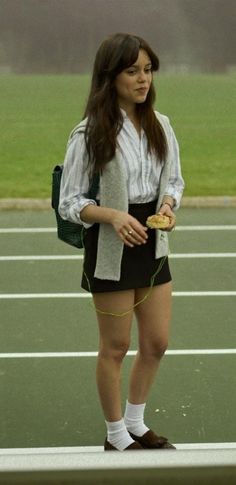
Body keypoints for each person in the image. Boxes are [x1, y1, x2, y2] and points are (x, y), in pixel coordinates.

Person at [59, 33, 184, 451]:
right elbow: (70, 202)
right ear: (110, 76)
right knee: (115, 346)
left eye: (147, 70)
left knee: (156, 343)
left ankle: (136, 422)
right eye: (132, 71)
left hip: (153, 242)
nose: (143, 79)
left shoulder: (162, 125)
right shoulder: (89, 131)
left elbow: (175, 181)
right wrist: (112, 215)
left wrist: (168, 204)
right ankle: (115, 434)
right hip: (111, 247)